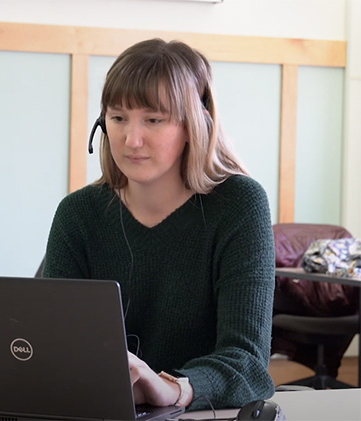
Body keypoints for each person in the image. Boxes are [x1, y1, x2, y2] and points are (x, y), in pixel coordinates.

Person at [42, 38, 275, 411]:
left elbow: (247, 361)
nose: (131, 140)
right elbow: (47, 342)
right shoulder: (78, 214)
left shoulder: (240, 205)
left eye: (153, 119)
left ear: (194, 125)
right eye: (118, 118)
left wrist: (174, 388)